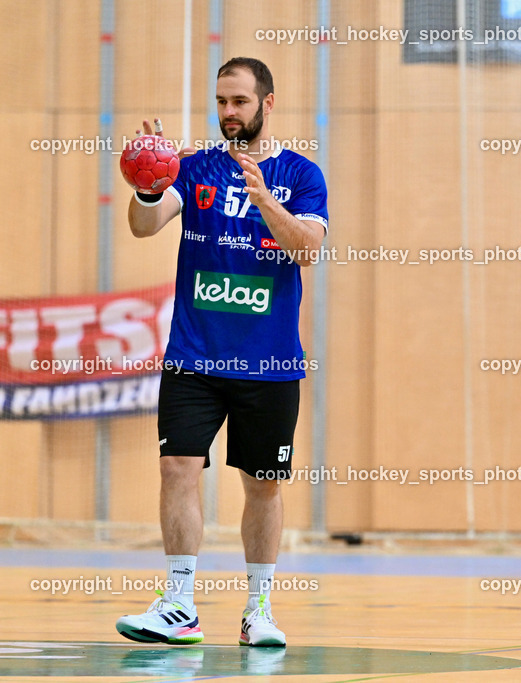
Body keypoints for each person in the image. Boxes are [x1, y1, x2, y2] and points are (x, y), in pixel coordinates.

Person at [115, 57, 329, 647]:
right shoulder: (195, 169)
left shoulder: (302, 176)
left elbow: (307, 248)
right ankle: (179, 604)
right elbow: (144, 224)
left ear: (268, 102)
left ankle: (259, 609)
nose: (228, 113)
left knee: (262, 484)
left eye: (239, 101)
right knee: (176, 468)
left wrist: (265, 200)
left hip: (270, 361)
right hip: (194, 355)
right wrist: (149, 183)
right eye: (220, 102)